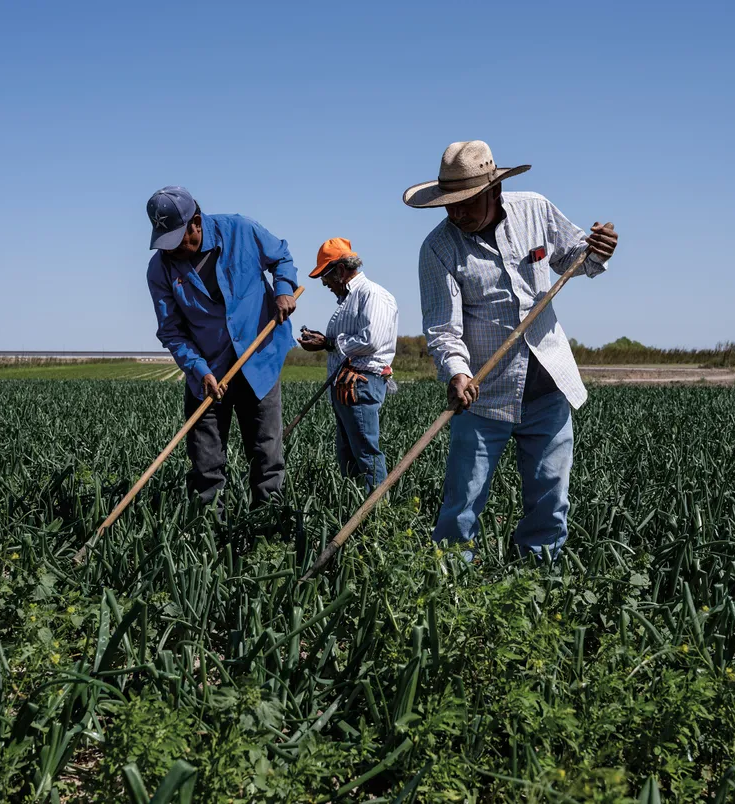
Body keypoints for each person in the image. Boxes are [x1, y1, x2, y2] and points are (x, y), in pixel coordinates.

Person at [404, 141, 618, 561]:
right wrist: (457, 374)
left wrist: (597, 251)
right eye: (450, 205)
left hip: (547, 388)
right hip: (485, 396)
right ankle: (450, 581)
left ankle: (537, 580)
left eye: (467, 202)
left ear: (494, 192)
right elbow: (443, 329)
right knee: (462, 501)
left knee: (550, 498)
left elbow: (576, 256)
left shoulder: (534, 210)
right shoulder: (438, 249)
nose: (458, 213)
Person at [145, 186, 300, 510]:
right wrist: (199, 369)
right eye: (164, 242)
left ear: (196, 223)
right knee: (205, 459)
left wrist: (283, 289)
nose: (170, 251)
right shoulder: (160, 269)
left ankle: (267, 526)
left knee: (266, 450)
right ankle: (208, 529)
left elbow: (281, 256)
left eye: (176, 241)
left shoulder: (240, 230)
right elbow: (171, 330)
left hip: (258, 358)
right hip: (208, 367)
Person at [298, 238, 398, 491]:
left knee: (365, 453)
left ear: (340, 270)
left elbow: (371, 341)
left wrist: (329, 344)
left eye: (326, 277)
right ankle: (353, 508)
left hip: (361, 383)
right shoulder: (349, 300)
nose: (325, 284)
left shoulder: (371, 295)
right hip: (346, 384)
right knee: (348, 454)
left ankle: (375, 515)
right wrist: (324, 341)